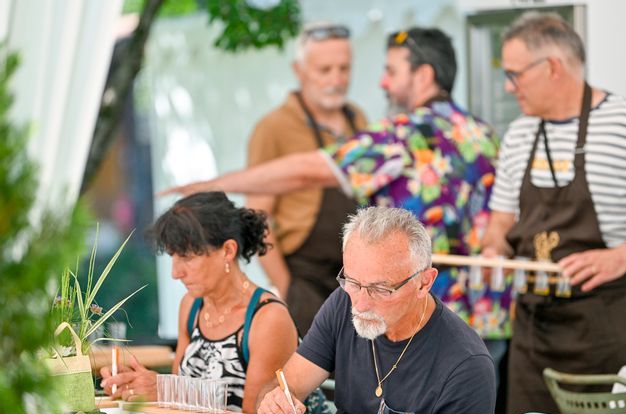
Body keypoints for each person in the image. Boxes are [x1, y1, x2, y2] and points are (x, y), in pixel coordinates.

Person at [160, 27, 508, 350]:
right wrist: (292, 292)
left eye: (391, 72)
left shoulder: (399, 133)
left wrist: (216, 183)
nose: (383, 83)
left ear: (424, 75)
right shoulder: (484, 134)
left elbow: (307, 172)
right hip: (489, 310)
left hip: (422, 312)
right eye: (325, 69)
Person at [480, 11, 626, 414]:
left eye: (514, 74)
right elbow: (502, 218)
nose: (509, 86)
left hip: (609, 327)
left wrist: (625, 253)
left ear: (552, 68)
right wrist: (492, 250)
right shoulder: (519, 134)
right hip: (535, 334)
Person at [164, 23, 367, 336]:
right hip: (305, 279)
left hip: (355, 276)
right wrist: (288, 289)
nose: (336, 79)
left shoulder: (358, 119)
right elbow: (259, 218)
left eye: (344, 69)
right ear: (299, 70)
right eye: (324, 70)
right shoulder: (274, 128)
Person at [256, 207, 496, 414]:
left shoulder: (467, 366)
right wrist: (274, 403)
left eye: (381, 289)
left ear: (424, 283)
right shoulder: (343, 302)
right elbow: (286, 389)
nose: (360, 304)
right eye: (352, 282)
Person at [99, 191, 298, 414]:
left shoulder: (267, 318)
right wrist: (138, 385)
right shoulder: (192, 306)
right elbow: (176, 404)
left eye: (187, 257)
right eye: (173, 257)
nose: (176, 273)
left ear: (228, 250)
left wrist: (166, 389)